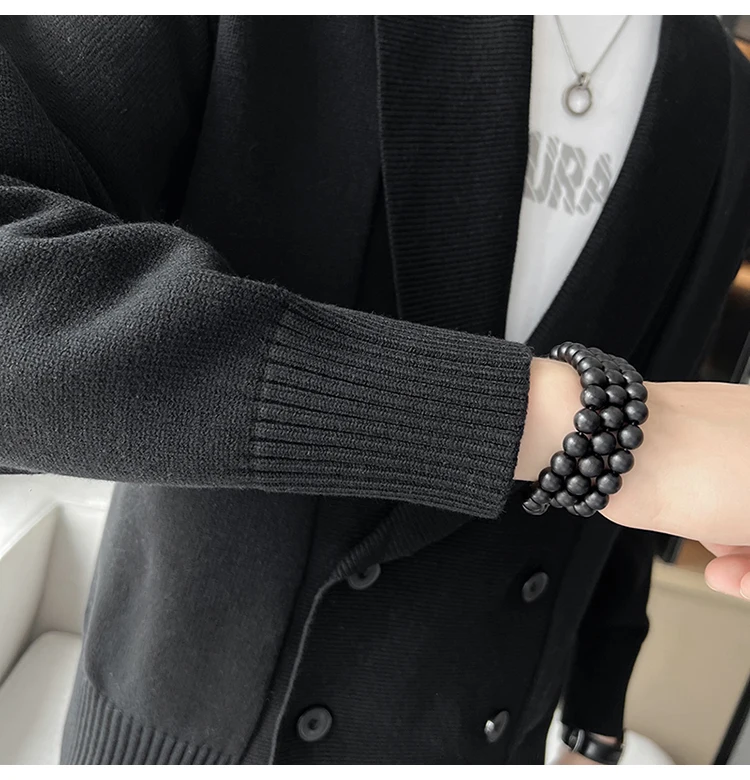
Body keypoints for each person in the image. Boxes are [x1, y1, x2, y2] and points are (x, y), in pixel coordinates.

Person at [1, 16, 749, 766]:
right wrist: (585, 429)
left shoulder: (724, 93)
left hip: (483, 737)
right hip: (196, 720)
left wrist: (596, 719)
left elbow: (652, 490)